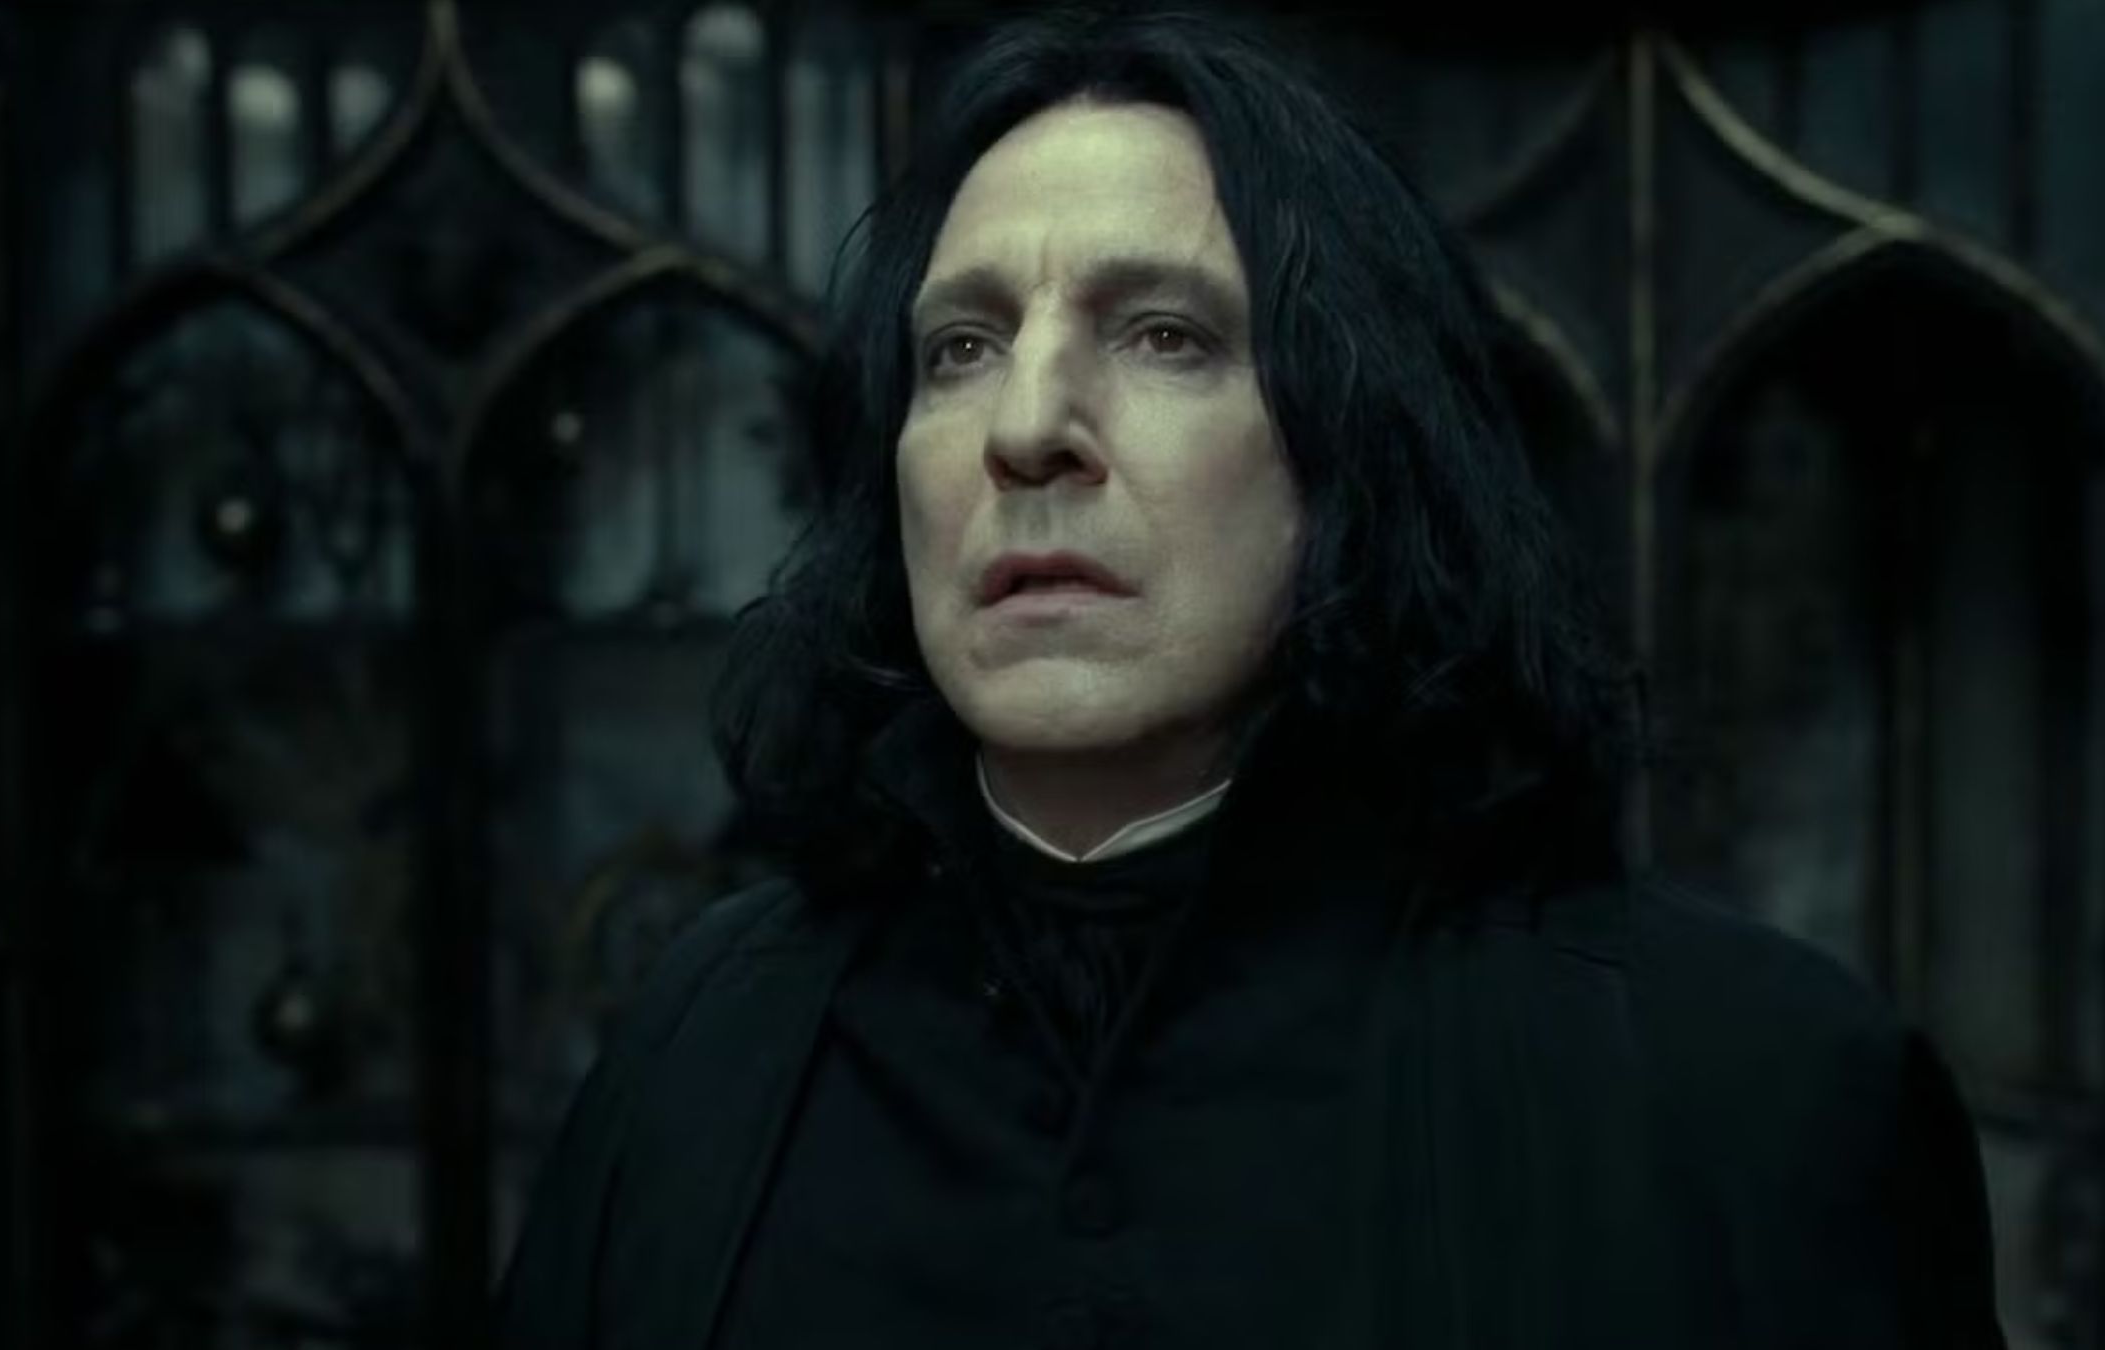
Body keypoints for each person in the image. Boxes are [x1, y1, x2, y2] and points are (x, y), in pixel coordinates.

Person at [494, 8, 2007, 1348]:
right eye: (960, 347)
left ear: (1354, 443)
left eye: (1164, 334)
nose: (1026, 426)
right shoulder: (704, 1048)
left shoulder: (1748, 1088)